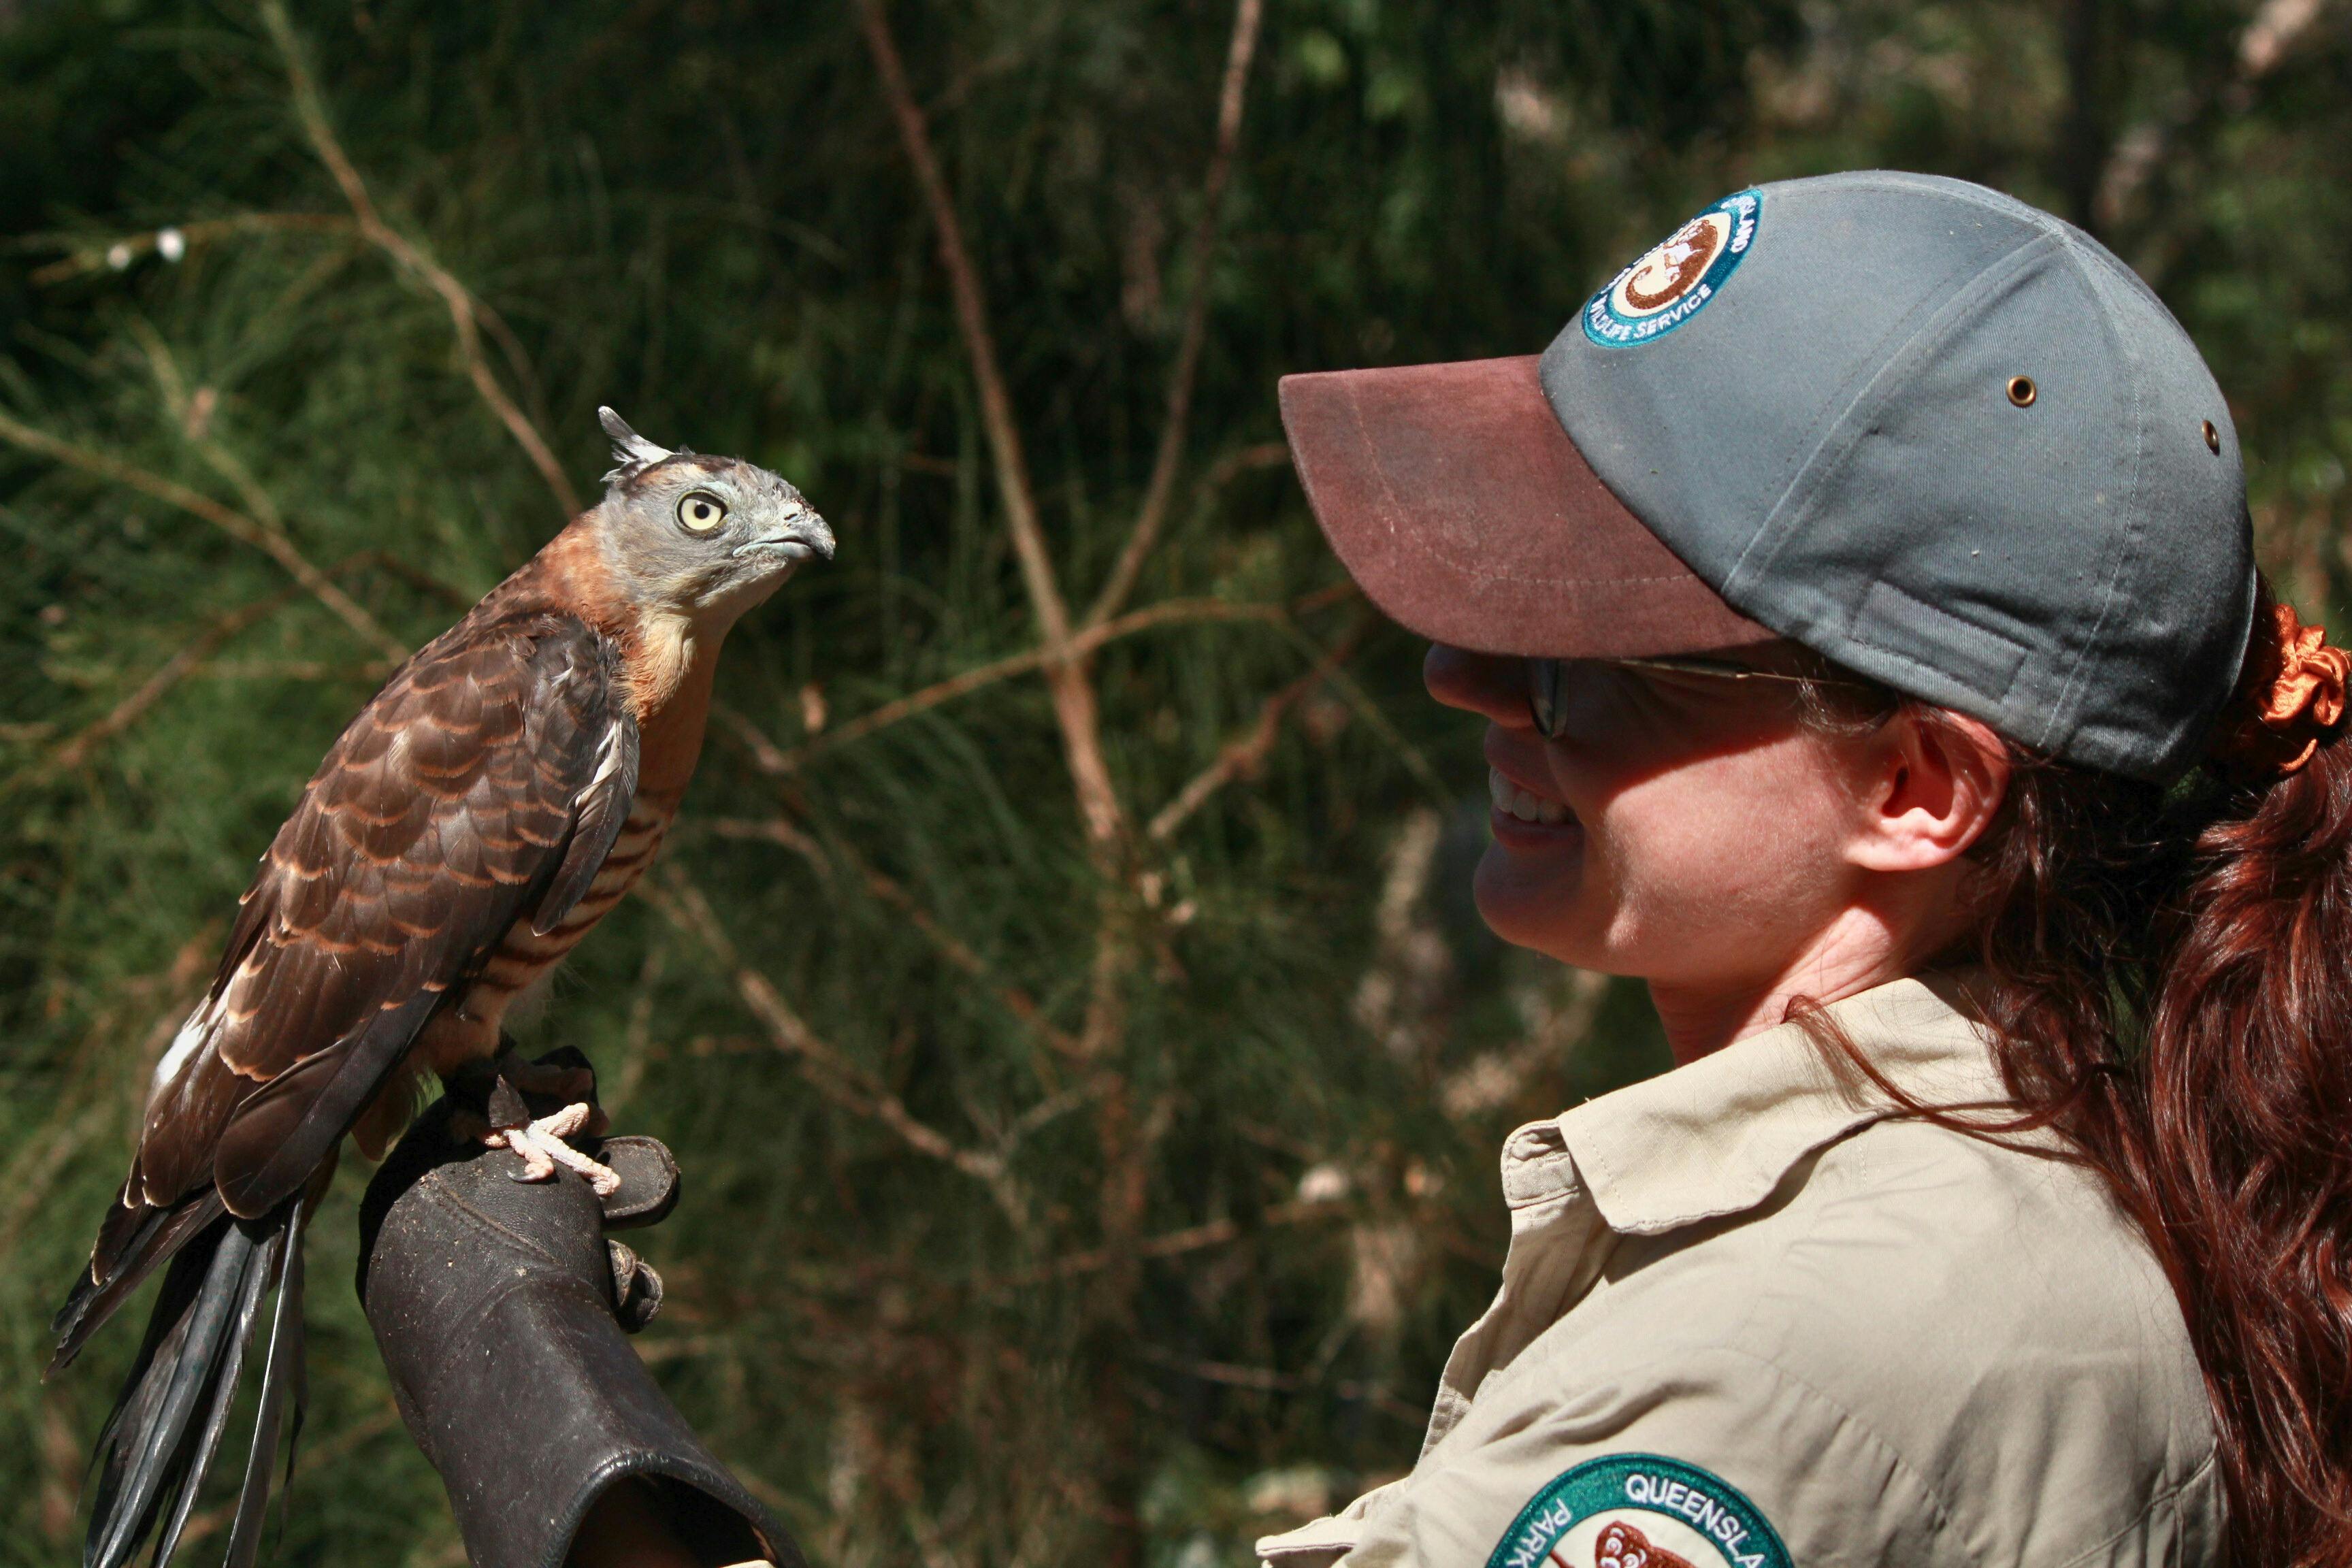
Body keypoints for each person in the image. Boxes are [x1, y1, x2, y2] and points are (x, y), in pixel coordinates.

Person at [364, 170, 2352, 1565]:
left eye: (1584, 642)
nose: (1465, 673)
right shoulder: (2070, 1171)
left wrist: (556, 1431)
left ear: (1921, 786)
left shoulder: (1790, 1362)